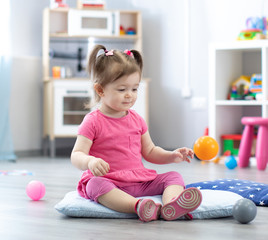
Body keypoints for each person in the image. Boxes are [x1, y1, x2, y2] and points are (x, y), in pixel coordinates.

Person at [71, 45, 202, 222]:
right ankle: (137, 206)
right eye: (122, 89)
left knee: (173, 176)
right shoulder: (93, 121)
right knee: (94, 185)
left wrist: (172, 155)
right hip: (110, 181)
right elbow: (76, 154)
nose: (129, 96)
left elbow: (150, 151)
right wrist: (90, 161)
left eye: (134, 89)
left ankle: (172, 206)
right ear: (101, 90)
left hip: (138, 180)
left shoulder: (137, 120)